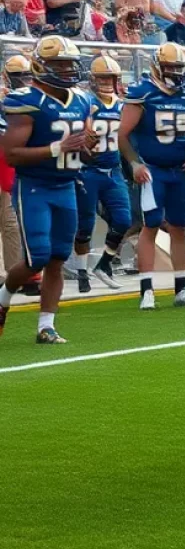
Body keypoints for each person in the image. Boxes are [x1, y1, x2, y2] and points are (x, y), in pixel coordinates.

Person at [0, 36, 93, 343]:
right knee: (37, 256)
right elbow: (11, 154)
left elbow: (85, 143)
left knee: (57, 258)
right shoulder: (27, 100)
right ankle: (3, 298)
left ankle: (46, 325)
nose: (67, 70)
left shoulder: (81, 99)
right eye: (60, 64)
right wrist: (58, 147)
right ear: (41, 66)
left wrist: (87, 146)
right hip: (35, 186)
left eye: (70, 64)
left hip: (66, 184)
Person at [118, 42, 185, 312]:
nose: (175, 73)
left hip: (180, 170)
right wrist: (134, 164)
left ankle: (181, 288)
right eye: (170, 67)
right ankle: (147, 290)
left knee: (179, 227)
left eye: (178, 68)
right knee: (152, 225)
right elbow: (122, 134)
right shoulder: (143, 93)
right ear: (157, 67)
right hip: (152, 169)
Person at [74, 55, 132, 292]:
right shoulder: (86, 101)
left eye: (110, 77)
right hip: (88, 170)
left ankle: (103, 264)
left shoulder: (123, 104)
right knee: (85, 225)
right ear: (93, 79)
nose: (107, 81)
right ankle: (81, 272)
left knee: (124, 220)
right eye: (102, 77)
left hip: (113, 170)